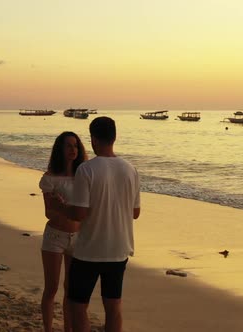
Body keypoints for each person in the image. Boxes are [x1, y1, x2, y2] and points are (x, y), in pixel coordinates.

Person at [66, 116, 141, 332]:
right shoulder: (130, 169)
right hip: (119, 249)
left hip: (89, 250)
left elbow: (79, 213)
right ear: (114, 138)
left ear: (93, 139)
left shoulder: (87, 169)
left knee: (78, 305)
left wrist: (63, 207)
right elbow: (135, 213)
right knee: (113, 306)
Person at [39, 131, 88, 332]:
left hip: (78, 238)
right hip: (55, 237)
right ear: (60, 149)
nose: (73, 150)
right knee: (51, 288)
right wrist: (62, 208)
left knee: (71, 290)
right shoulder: (51, 178)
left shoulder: (83, 176)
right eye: (68, 146)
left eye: (76, 146)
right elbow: (48, 213)